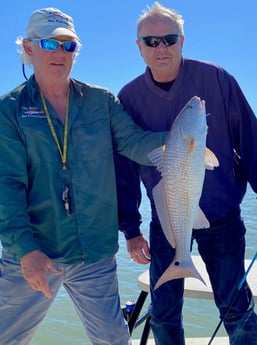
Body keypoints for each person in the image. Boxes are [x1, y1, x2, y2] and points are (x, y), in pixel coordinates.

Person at [0, 7, 167, 345]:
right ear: (29, 49)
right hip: (35, 255)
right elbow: (7, 188)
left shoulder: (100, 101)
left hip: (95, 254)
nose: (60, 53)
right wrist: (26, 252)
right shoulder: (10, 110)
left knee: (113, 339)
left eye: (68, 46)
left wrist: (185, 136)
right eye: (50, 44)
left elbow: (135, 144)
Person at [115, 2, 257, 345]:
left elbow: (250, 140)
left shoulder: (217, 79)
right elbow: (124, 168)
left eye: (169, 39)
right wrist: (131, 228)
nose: (161, 48)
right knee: (163, 312)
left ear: (182, 40)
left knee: (235, 307)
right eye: (151, 41)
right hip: (168, 219)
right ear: (138, 47)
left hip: (222, 216)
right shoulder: (129, 98)